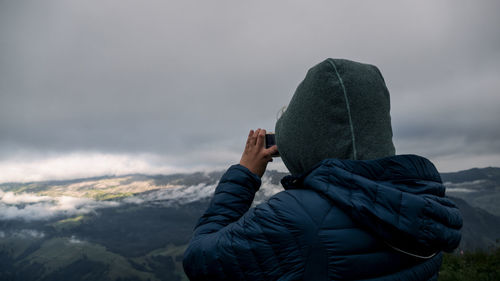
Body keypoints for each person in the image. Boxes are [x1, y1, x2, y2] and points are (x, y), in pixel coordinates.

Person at [183, 58, 462, 281]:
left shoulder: (295, 218)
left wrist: (244, 174)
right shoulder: (425, 200)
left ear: (304, 143)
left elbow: (200, 260)